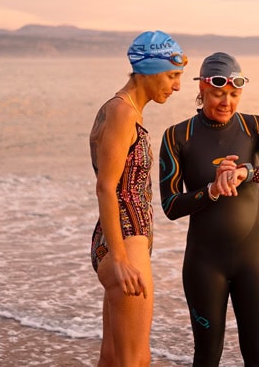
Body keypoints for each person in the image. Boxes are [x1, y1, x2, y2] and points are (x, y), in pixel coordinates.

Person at [159, 52, 259, 366]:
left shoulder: (256, 126)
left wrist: (248, 172)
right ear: (202, 91)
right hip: (204, 266)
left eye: (234, 94)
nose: (226, 102)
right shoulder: (177, 137)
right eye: (218, 94)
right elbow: (170, 205)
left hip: (254, 263)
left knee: (258, 358)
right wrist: (211, 190)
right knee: (207, 356)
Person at [89, 30, 187, 366]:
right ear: (149, 70)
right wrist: (119, 258)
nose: (177, 86)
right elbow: (106, 186)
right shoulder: (122, 112)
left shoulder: (122, 109)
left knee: (114, 357)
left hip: (122, 239)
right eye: (172, 76)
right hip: (125, 243)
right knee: (136, 360)